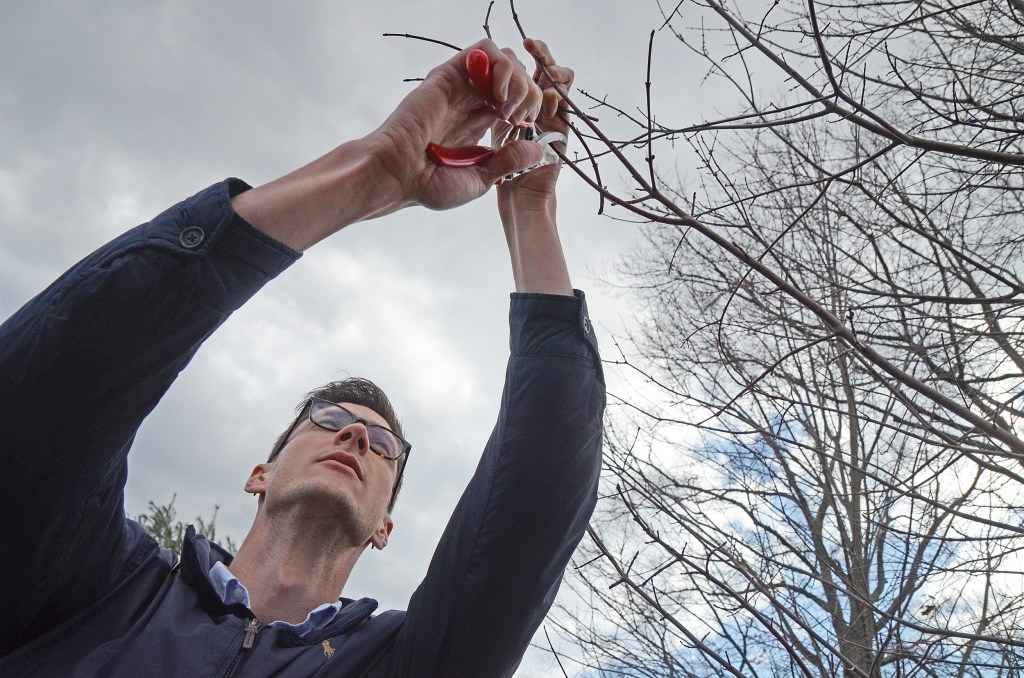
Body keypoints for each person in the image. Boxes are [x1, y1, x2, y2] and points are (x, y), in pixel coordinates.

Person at [0, 37, 604, 677]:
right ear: (260, 473)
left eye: (384, 445)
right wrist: (371, 172)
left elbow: (541, 476)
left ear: (383, 528)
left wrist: (531, 206)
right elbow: (54, 394)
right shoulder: (95, 589)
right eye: (326, 417)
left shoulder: (404, 664)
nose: (356, 434)